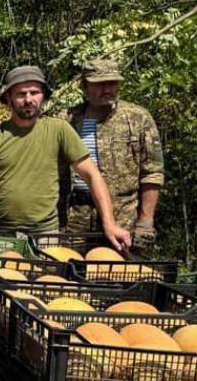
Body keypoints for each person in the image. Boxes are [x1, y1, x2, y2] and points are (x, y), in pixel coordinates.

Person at [0, 65, 130, 250]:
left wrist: (109, 224)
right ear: (8, 98)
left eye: (34, 93)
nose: (28, 99)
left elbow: (92, 176)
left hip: (45, 236)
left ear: (43, 97)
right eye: (21, 94)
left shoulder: (58, 129)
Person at [60, 59, 164, 246]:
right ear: (84, 86)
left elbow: (152, 172)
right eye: (99, 84)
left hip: (123, 220)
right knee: (71, 271)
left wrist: (145, 223)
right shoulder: (67, 120)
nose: (107, 89)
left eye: (112, 83)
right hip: (75, 220)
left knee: (116, 272)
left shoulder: (137, 118)